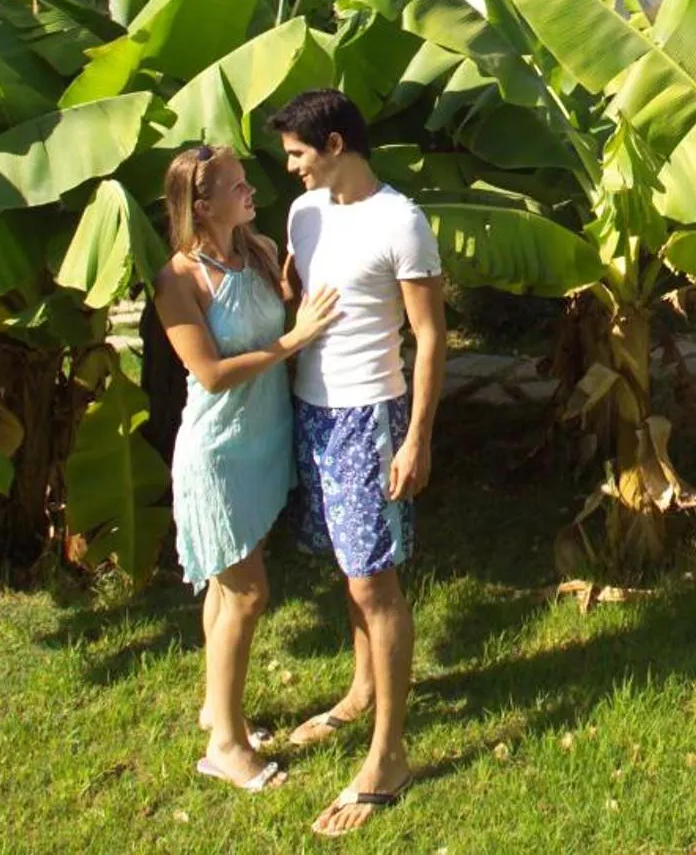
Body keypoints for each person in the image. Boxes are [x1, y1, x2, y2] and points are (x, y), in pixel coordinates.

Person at [268, 89, 448, 839]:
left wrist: (417, 438)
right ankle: (360, 689)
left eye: (299, 155)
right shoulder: (303, 213)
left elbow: (431, 337)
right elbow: (297, 288)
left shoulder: (401, 220)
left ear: (336, 144)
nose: (292, 170)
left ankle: (388, 754)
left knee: (375, 578)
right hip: (311, 407)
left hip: (371, 415)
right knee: (349, 567)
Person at [152, 143, 339, 793]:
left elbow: (281, 300)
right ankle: (225, 745)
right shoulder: (180, 277)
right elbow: (208, 370)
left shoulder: (253, 250)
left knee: (227, 589)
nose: (251, 190)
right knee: (248, 591)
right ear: (200, 205)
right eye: (236, 185)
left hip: (264, 440)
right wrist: (290, 342)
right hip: (220, 451)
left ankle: (217, 707)